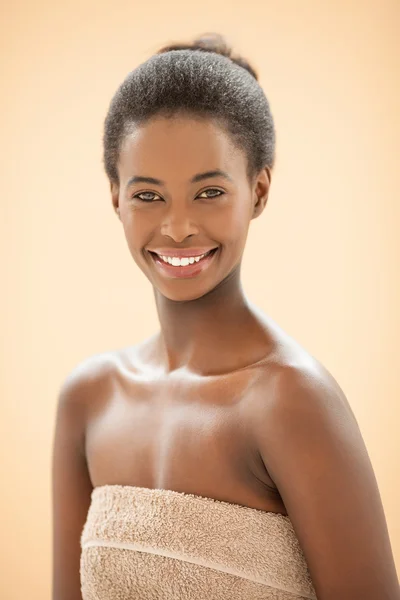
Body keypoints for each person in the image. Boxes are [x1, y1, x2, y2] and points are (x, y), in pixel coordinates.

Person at [52, 33, 400, 600]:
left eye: (209, 192)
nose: (179, 227)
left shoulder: (291, 400)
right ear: (114, 195)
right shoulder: (88, 400)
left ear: (258, 191)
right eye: (148, 195)